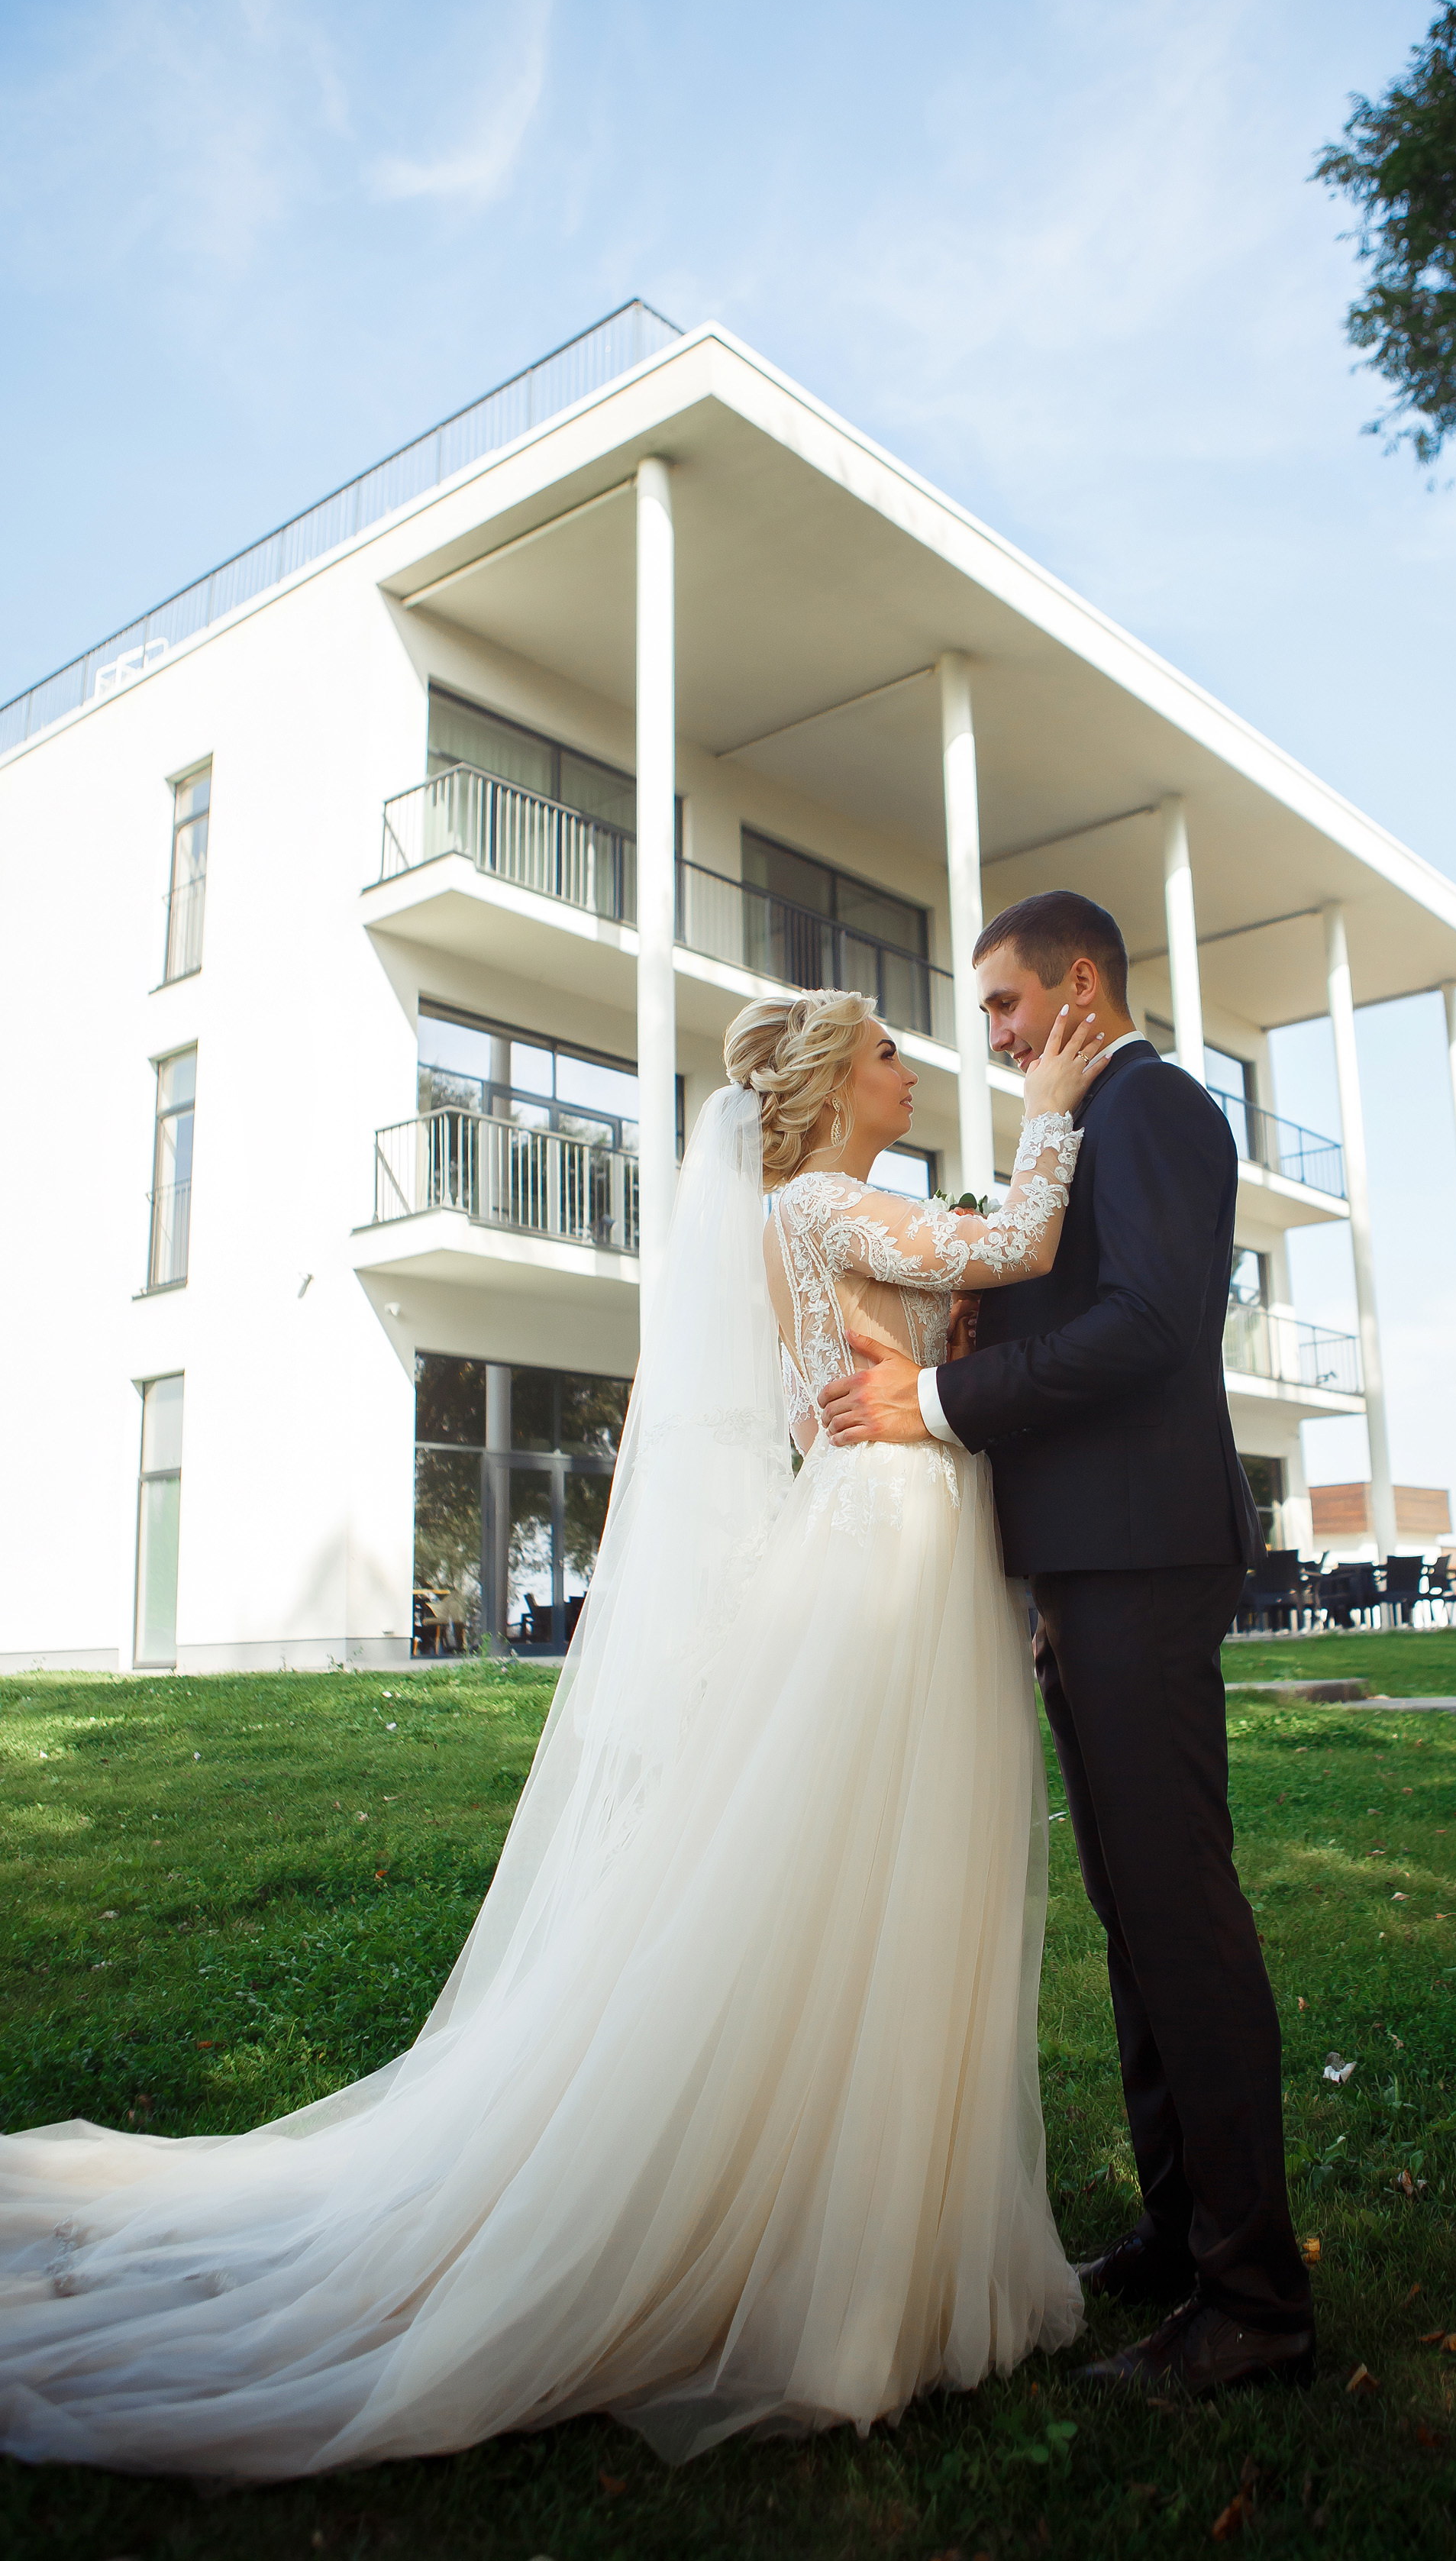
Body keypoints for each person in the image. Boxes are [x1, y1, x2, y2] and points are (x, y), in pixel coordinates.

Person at [0, 990, 1105, 2476]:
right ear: (835, 1085)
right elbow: (1016, 1241)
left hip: (886, 1528)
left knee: (883, 1881)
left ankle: (872, 2250)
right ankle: (847, 2280)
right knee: (883, 1879)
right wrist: (1052, 1116)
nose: (910, 1072)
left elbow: (924, 1318)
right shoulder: (827, 1199)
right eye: (890, 1055)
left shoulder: (802, 1210)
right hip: (887, 1552)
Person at [817, 891, 1316, 2398]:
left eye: (1003, 1006)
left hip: (1141, 1556)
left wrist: (942, 1405)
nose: (990, 1036)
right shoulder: (1072, 1129)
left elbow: (1151, 1327)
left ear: (1077, 982)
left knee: (1179, 1912)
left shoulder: (1154, 1106)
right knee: (1133, 1913)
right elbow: (1064, 1298)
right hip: (1084, 1566)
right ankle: (1179, 2239)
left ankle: (1255, 2303)